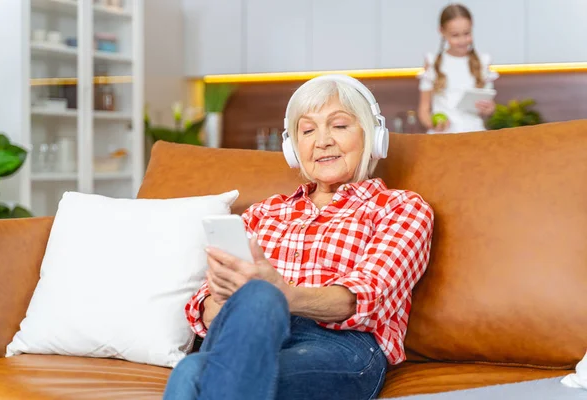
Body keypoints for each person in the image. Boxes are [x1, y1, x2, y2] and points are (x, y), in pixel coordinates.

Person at [163, 74, 434, 400]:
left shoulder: (400, 208)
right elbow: (203, 311)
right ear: (293, 148)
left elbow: (363, 297)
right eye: (307, 131)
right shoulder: (263, 213)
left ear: (373, 137)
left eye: (339, 125)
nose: (322, 141)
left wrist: (281, 295)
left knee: (195, 372)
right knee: (204, 356)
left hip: (336, 345)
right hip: (244, 335)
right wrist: (222, 297)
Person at [417, 3, 499, 134]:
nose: (462, 40)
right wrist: (433, 123)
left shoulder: (483, 62)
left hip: (474, 133)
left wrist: (489, 109)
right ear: (442, 31)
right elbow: (423, 110)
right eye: (455, 35)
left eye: (466, 33)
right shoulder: (432, 63)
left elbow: (489, 106)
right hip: (443, 136)